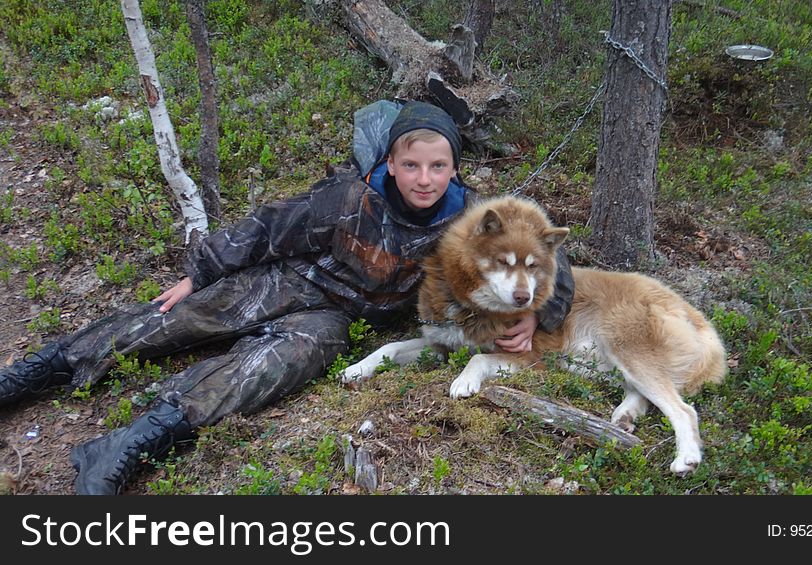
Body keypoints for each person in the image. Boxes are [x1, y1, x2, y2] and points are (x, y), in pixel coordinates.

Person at [0, 101, 574, 495]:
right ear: (390, 164)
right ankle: (33, 373)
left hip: (339, 318)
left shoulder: (474, 220)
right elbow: (269, 225)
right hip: (296, 278)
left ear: (454, 167)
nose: (424, 179)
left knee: (274, 365)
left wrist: (540, 313)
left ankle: (129, 443)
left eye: (438, 166)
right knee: (184, 318)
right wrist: (200, 273)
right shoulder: (349, 197)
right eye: (411, 165)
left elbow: (555, 261)